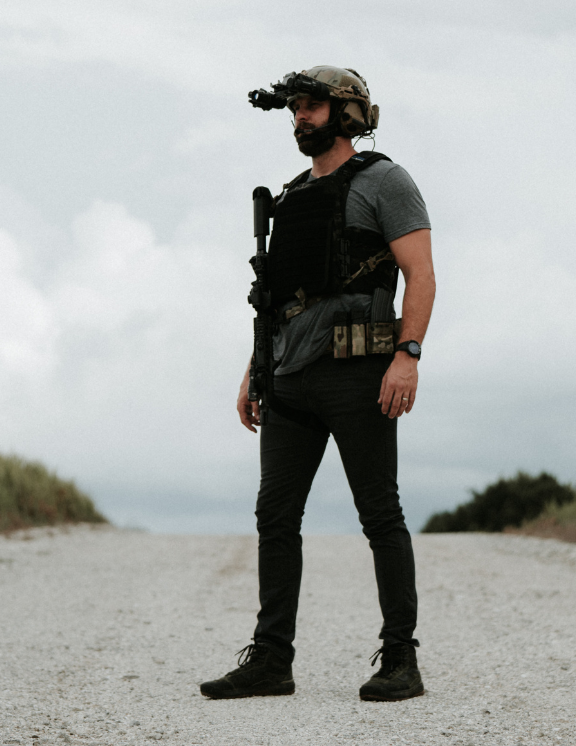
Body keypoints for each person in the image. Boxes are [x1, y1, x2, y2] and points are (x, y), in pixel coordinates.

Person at [200, 66, 435, 703]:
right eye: (295, 109)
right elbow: (276, 300)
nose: (300, 117)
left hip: (359, 372)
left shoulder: (386, 181)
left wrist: (407, 355)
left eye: (312, 107)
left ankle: (400, 659)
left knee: (379, 514)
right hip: (291, 379)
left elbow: (420, 273)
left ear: (347, 113)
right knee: (274, 516)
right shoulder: (293, 194)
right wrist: (256, 368)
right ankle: (272, 659)